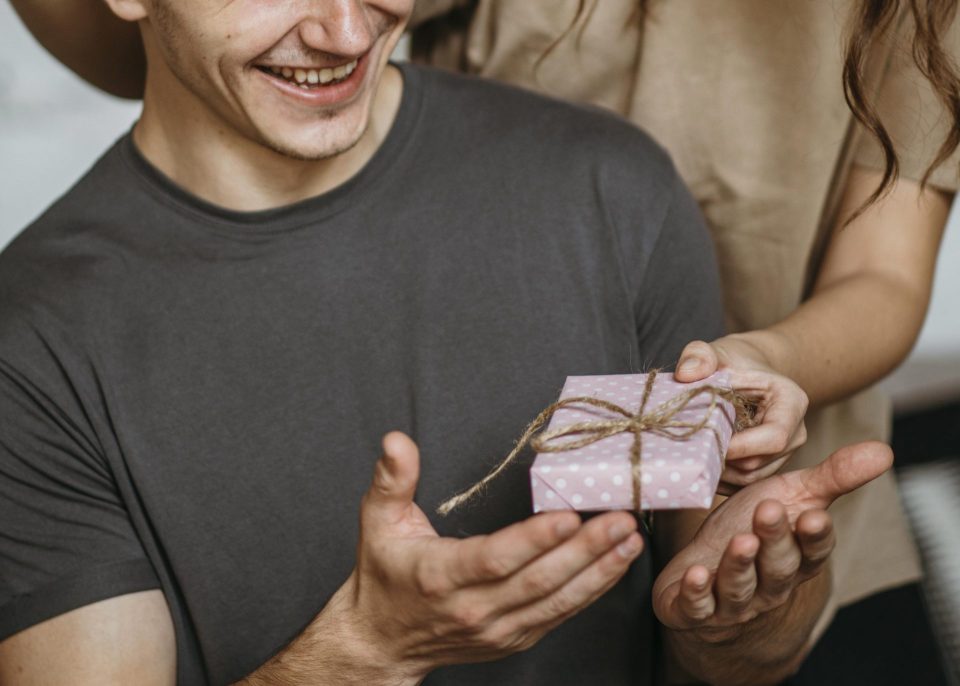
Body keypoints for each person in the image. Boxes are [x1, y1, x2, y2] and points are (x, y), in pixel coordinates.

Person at [0, 1, 896, 685]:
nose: (347, 29)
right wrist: (366, 651)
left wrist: (754, 610)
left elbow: (736, 655)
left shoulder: (610, 188)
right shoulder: (29, 344)